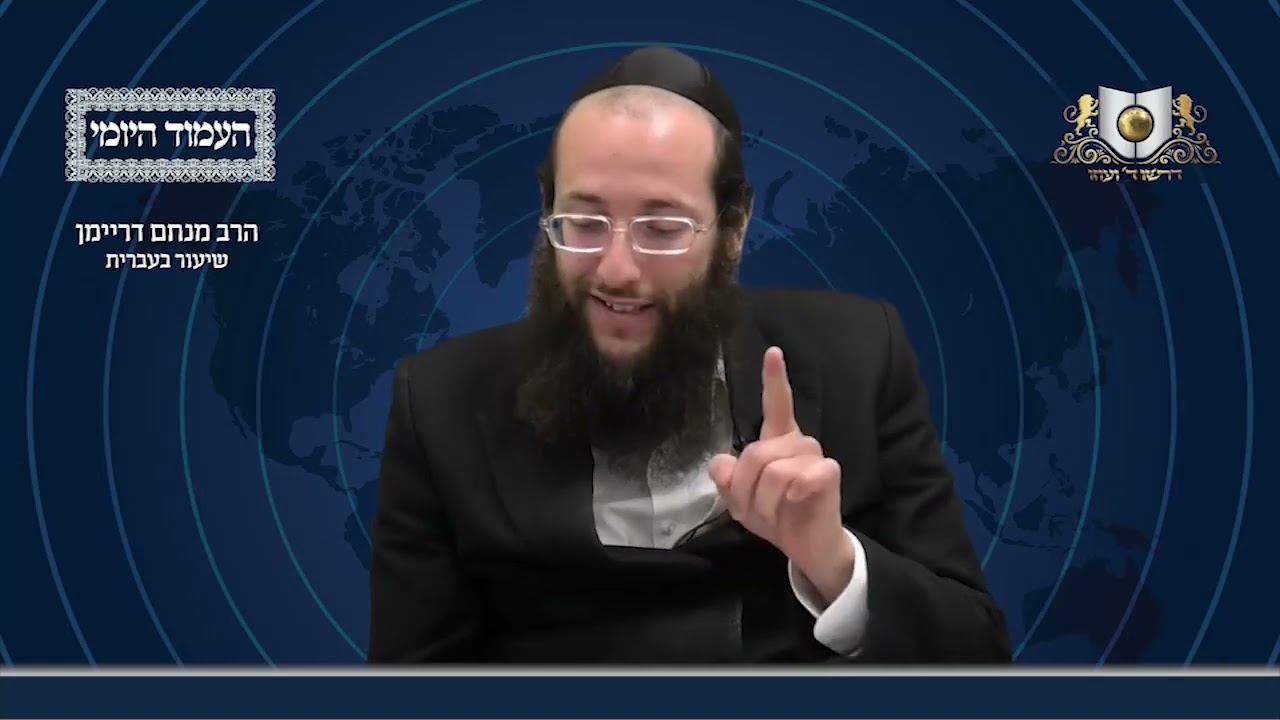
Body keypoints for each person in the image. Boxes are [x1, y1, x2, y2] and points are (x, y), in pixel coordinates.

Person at [367, 45, 1011, 663]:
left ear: (734, 230)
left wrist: (833, 561)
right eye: (584, 222)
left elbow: (977, 651)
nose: (617, 271)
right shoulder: (438, 402)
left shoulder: (861, 355)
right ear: (547, 215)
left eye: (663, 228)